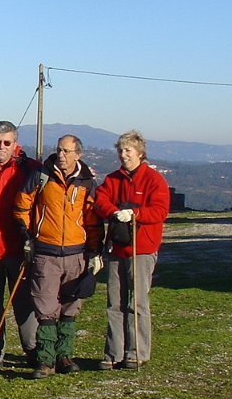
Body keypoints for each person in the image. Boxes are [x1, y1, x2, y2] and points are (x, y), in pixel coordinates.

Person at [14, 135, 103, 378]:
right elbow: (22, 206)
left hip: (77, 252)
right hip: (46, 251)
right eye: (59, 150)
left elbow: (92, 219)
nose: (61, 155)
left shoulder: (87, 181)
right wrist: (27, 236)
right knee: (45, 307)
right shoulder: (41, 176)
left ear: (78, 154)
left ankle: (65, 356)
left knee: (71, 306)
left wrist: (95, 251)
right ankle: (45, 361)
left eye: (66, 151)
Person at [94, 130, 170, 370]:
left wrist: (135, 214)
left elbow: (160, 211)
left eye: (128, 150)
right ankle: (113, 352)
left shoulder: (154, 179)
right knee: (114, 302)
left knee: (136, 302)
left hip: (142, 248)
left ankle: (137, 351)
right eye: (121, 150)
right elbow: (99, 200)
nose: (123, 154)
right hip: (118, 247)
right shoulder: (113, 179)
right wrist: (113, 212)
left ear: (139, 153)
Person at [0, 121, 42, 370]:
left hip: (19, 249)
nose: (1, 147)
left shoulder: (31, 169)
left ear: (15, 144)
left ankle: (33, 352)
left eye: (6, 143)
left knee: (24, 304)